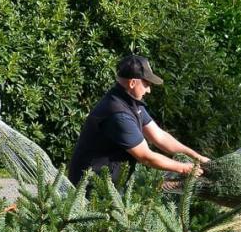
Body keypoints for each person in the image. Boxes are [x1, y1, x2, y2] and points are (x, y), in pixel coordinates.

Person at [66, 53, 211, 186]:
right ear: (132, 83)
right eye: (146, 84)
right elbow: (146, 156)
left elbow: (159, 136)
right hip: (89, 188)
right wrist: (184, 168)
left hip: (108, 184)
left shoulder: (130, 102)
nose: (149, 90)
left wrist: (197, 157)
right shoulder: (118, 114)